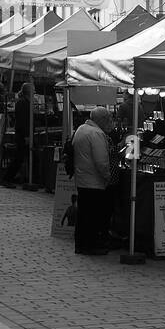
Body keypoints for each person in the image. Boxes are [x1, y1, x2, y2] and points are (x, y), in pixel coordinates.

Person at [72, 106, 114, 255]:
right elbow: (101, 161)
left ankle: (81, 244)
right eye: (108, 119)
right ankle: (90, 245)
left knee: (83, 215)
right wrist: (107, 176)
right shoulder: (96, 134)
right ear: (102, 120)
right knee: (92, 215)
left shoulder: (81, 129)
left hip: (82, 178)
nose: (110, 122)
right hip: (94, 181)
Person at [3, 82, 34, 185]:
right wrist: (26, 136)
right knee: (18, 158)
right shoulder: (22, 103)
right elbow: (22, 121)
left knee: (20, 157)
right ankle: (7, 178)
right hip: (22, 135)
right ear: (29, 92)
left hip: (24, 134)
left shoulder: (26, 102)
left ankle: (12, 178)